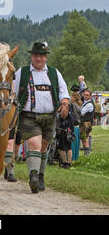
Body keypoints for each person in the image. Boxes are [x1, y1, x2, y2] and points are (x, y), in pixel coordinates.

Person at [13, 41, 70, 193]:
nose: (39, 59)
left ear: (46, 58)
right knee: (34, 144)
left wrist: (64, 103)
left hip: (50, 117)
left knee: (44, 147)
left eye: (42, 56)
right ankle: (33, 176)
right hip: (29, 116)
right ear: (31, 57)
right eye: (36, 55)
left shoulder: (53, 72)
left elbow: (63, 91)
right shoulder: (22, 72)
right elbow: (12, 91)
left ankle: (41, 175)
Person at [80, 89, 95, 156]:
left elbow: (81, 112)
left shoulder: (89, 104)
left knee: (85, 140)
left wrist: (81, 113)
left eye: (87, 95)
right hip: (84, 123)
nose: (85, 96)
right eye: (84, 95)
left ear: (90, 96)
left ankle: (86, 156)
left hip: (85, 124)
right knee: (84, 140)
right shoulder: (85, 102)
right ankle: (87, 156)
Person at [71, 92, 82, 161]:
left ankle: (72, 157)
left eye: (71, 97)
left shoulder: (73, 105)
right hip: (77, 125)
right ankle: (75, 157)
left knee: (72, 142)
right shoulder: (79, 105)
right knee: (76, 142)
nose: (70, 98)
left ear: (75, 98)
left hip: (73, 124)